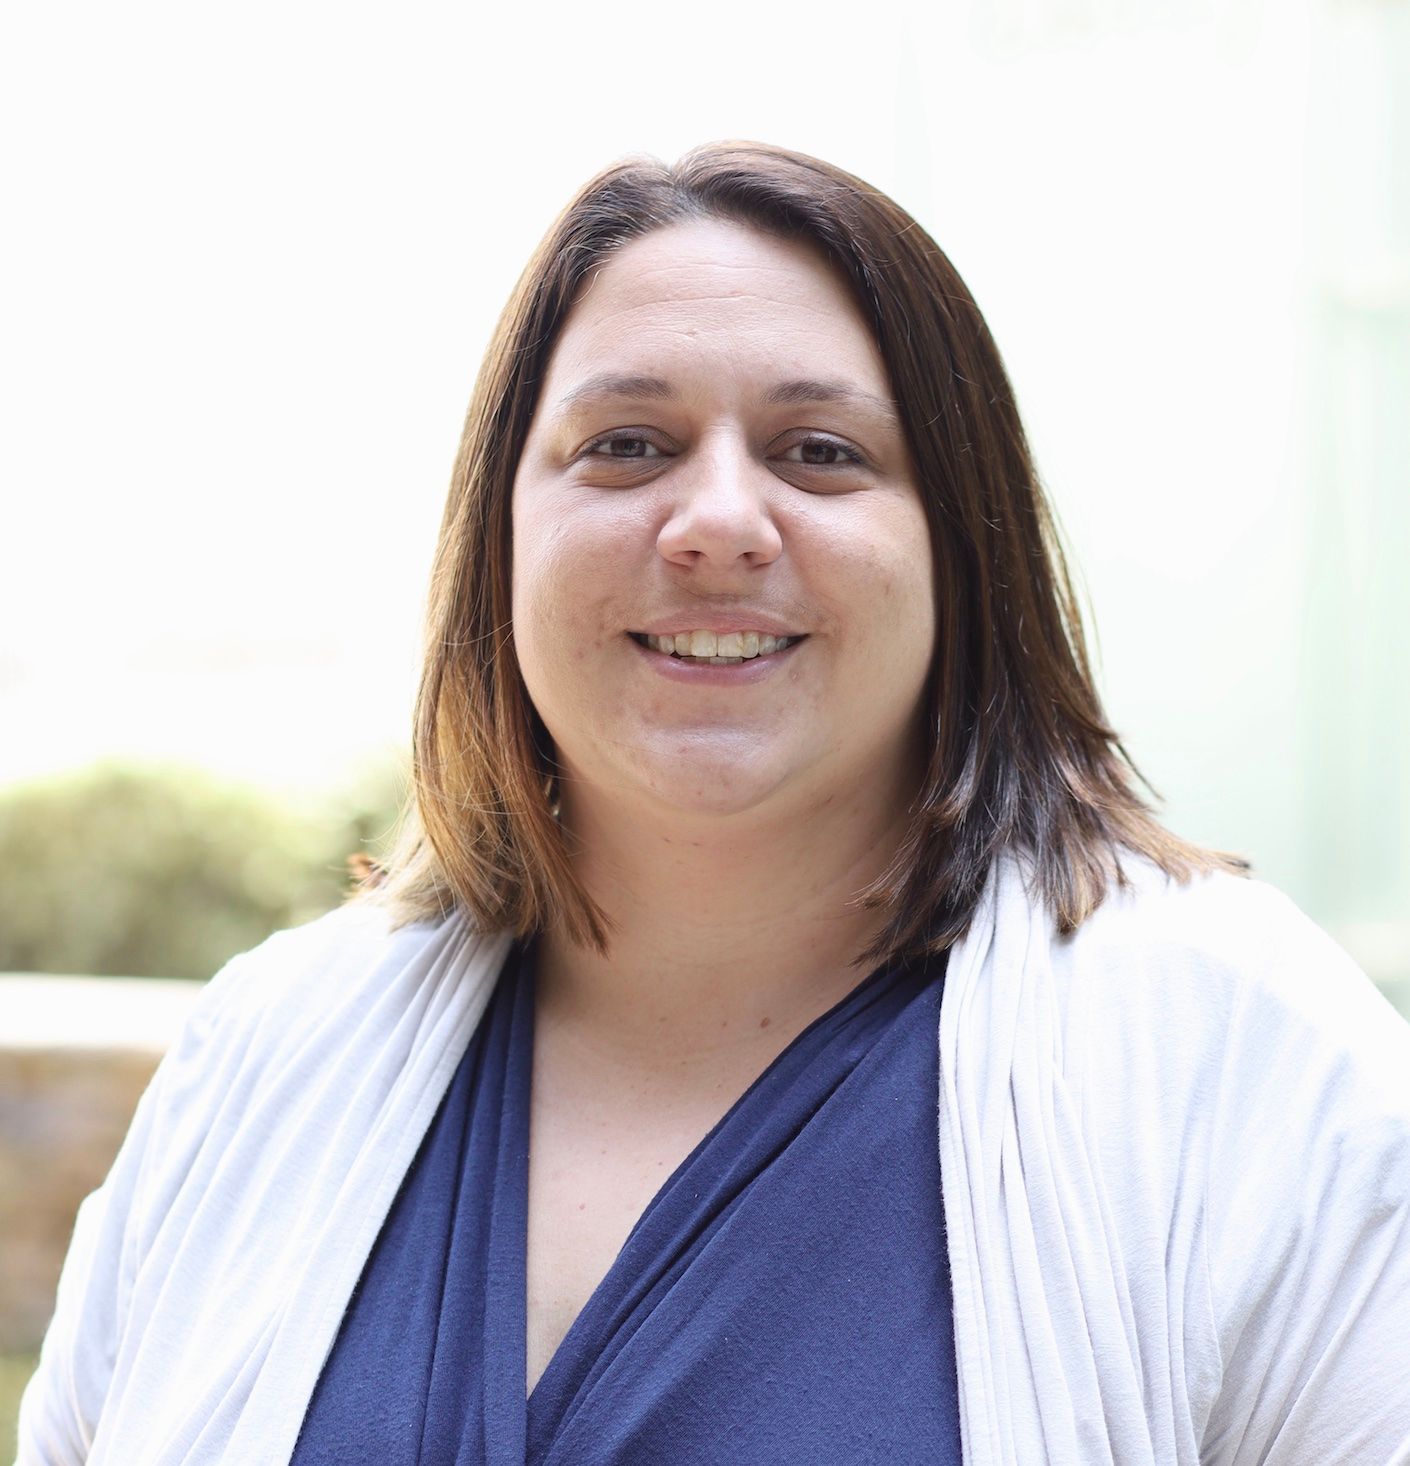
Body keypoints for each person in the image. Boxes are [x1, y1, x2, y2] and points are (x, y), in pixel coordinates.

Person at [17, 142, 1410, 1465]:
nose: (716, 520)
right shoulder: (261, 1060)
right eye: (626, 444)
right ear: (501, 531)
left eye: (819, 452)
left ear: (959, 550)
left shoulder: (1256, 1068)